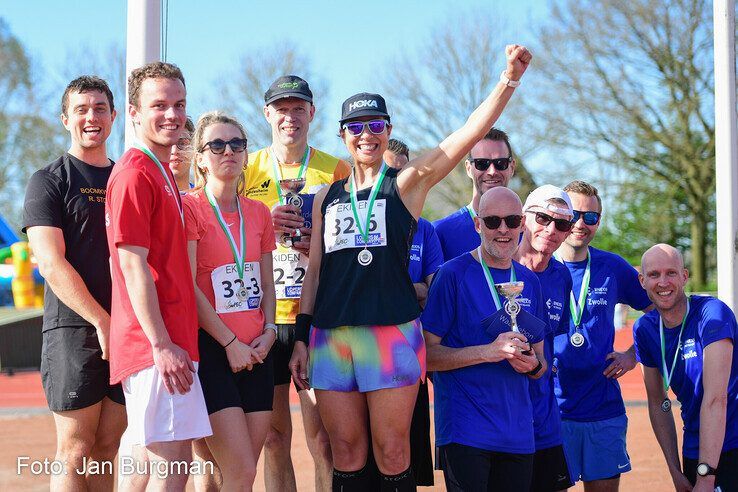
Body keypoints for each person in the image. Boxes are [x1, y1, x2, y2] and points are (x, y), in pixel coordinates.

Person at [290, 44, 532, 491]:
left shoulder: (405, 185)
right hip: (331, 336)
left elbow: (462, 137)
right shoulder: (327, 197)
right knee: (344, 451)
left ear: (388, 130)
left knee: (393, 451)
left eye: (376, 125)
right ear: (343, 135)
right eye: (356, 127)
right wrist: (302, 336)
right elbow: (316, 272)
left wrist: (508, 80)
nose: (367, 134)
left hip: (391, 334)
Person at [105, 62, 211, 491]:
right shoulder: (134, 174)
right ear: (133, 111)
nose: (172, 114)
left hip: (169, 343)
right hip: (157, 348)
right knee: (172, 470)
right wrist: (161, 344)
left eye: (179, 104)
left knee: (156, 467)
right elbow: (132, 266)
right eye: (159, 105)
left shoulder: (161, 171)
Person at [242, 75, 350, 491]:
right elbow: (223, 234)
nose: (290, 117)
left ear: (312, 113)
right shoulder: (245, 167)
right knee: (272, 438)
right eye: (281, 109)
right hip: (261, 317)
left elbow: (350, 239)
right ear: (267, 114)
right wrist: (263, 228)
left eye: (298, 108)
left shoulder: (336, 168)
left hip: (314, 317)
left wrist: (318, 247)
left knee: (323, 441)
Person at [23, 75, 126, 491]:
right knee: (76, 450)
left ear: (114, 116)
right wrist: (102, 321)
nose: (91, 117)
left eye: (100, 108)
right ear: (66, 118)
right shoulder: (48, 180)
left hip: (128, 331)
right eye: (81, 109)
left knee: (107, 448)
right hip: (75, 330)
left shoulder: (127, 179)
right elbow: (50, 262)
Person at [423, 186, 548, 491]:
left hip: (518, 435)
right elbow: (425, 355)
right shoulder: (452, 274)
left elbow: (542, 363)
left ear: (522, 225)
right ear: (478, 225)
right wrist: (488, 351)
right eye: (492, 222)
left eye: (512, 220)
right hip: (466, 432)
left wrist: (530, 364)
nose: (503, 230)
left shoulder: (529, 281)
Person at [183, 111, 277, 490]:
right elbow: (187, 286)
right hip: (213, 351)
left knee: (241, 474)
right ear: (201, 159)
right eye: (217, 145)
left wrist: (270, 331)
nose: (229, 152)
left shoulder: (259, 213)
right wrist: (228, 343)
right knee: (238, 472)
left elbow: (267, 284)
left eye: (237, 144)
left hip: (257, 350)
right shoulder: (190, 208)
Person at [553, 180, 653, 490]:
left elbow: (660, 310)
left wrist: (633, 355)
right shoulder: (536, 265)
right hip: (551, 412)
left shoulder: (612, 267)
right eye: (574, 215)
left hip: (603, 410)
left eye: (591, 217)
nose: (581, 224)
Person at [634, 244, 738, 492]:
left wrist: (706, 476)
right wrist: (674, 470)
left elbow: (716, 399)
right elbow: (658, 401)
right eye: (654, 274)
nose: (663, 282)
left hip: (733, 444)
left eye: (671, 273)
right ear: (642, 281)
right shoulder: (645, 329)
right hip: (694, 447)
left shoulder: (712, 314)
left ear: (684, 276)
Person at [384, 138, 442, 486]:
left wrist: (400, 290)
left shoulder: (426, 229)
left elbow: (434, 289)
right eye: (389, 171)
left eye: (402, 171)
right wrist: (412, 289)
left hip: (410, 352)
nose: (396, 178)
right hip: (366, 350)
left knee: (410, 452)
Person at [514, 185, 576, 491]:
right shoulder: (494, 267)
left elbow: (551, 340)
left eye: (562, 224)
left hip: (543, 419)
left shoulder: (561, 277)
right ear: (524, 218)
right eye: (542, 218)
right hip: (497, 418)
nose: (551, 230)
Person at [433, 127, 516, 262]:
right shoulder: (440, 232)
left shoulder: (527, 232)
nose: (492, 171)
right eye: (481, 163)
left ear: (511, 167)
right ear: (468, 168)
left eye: (501, 163)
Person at [169, 116, 195, 192]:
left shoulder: (206, 200)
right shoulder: (149, 199)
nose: (174, 150)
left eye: (182, 143)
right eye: (168, 144)